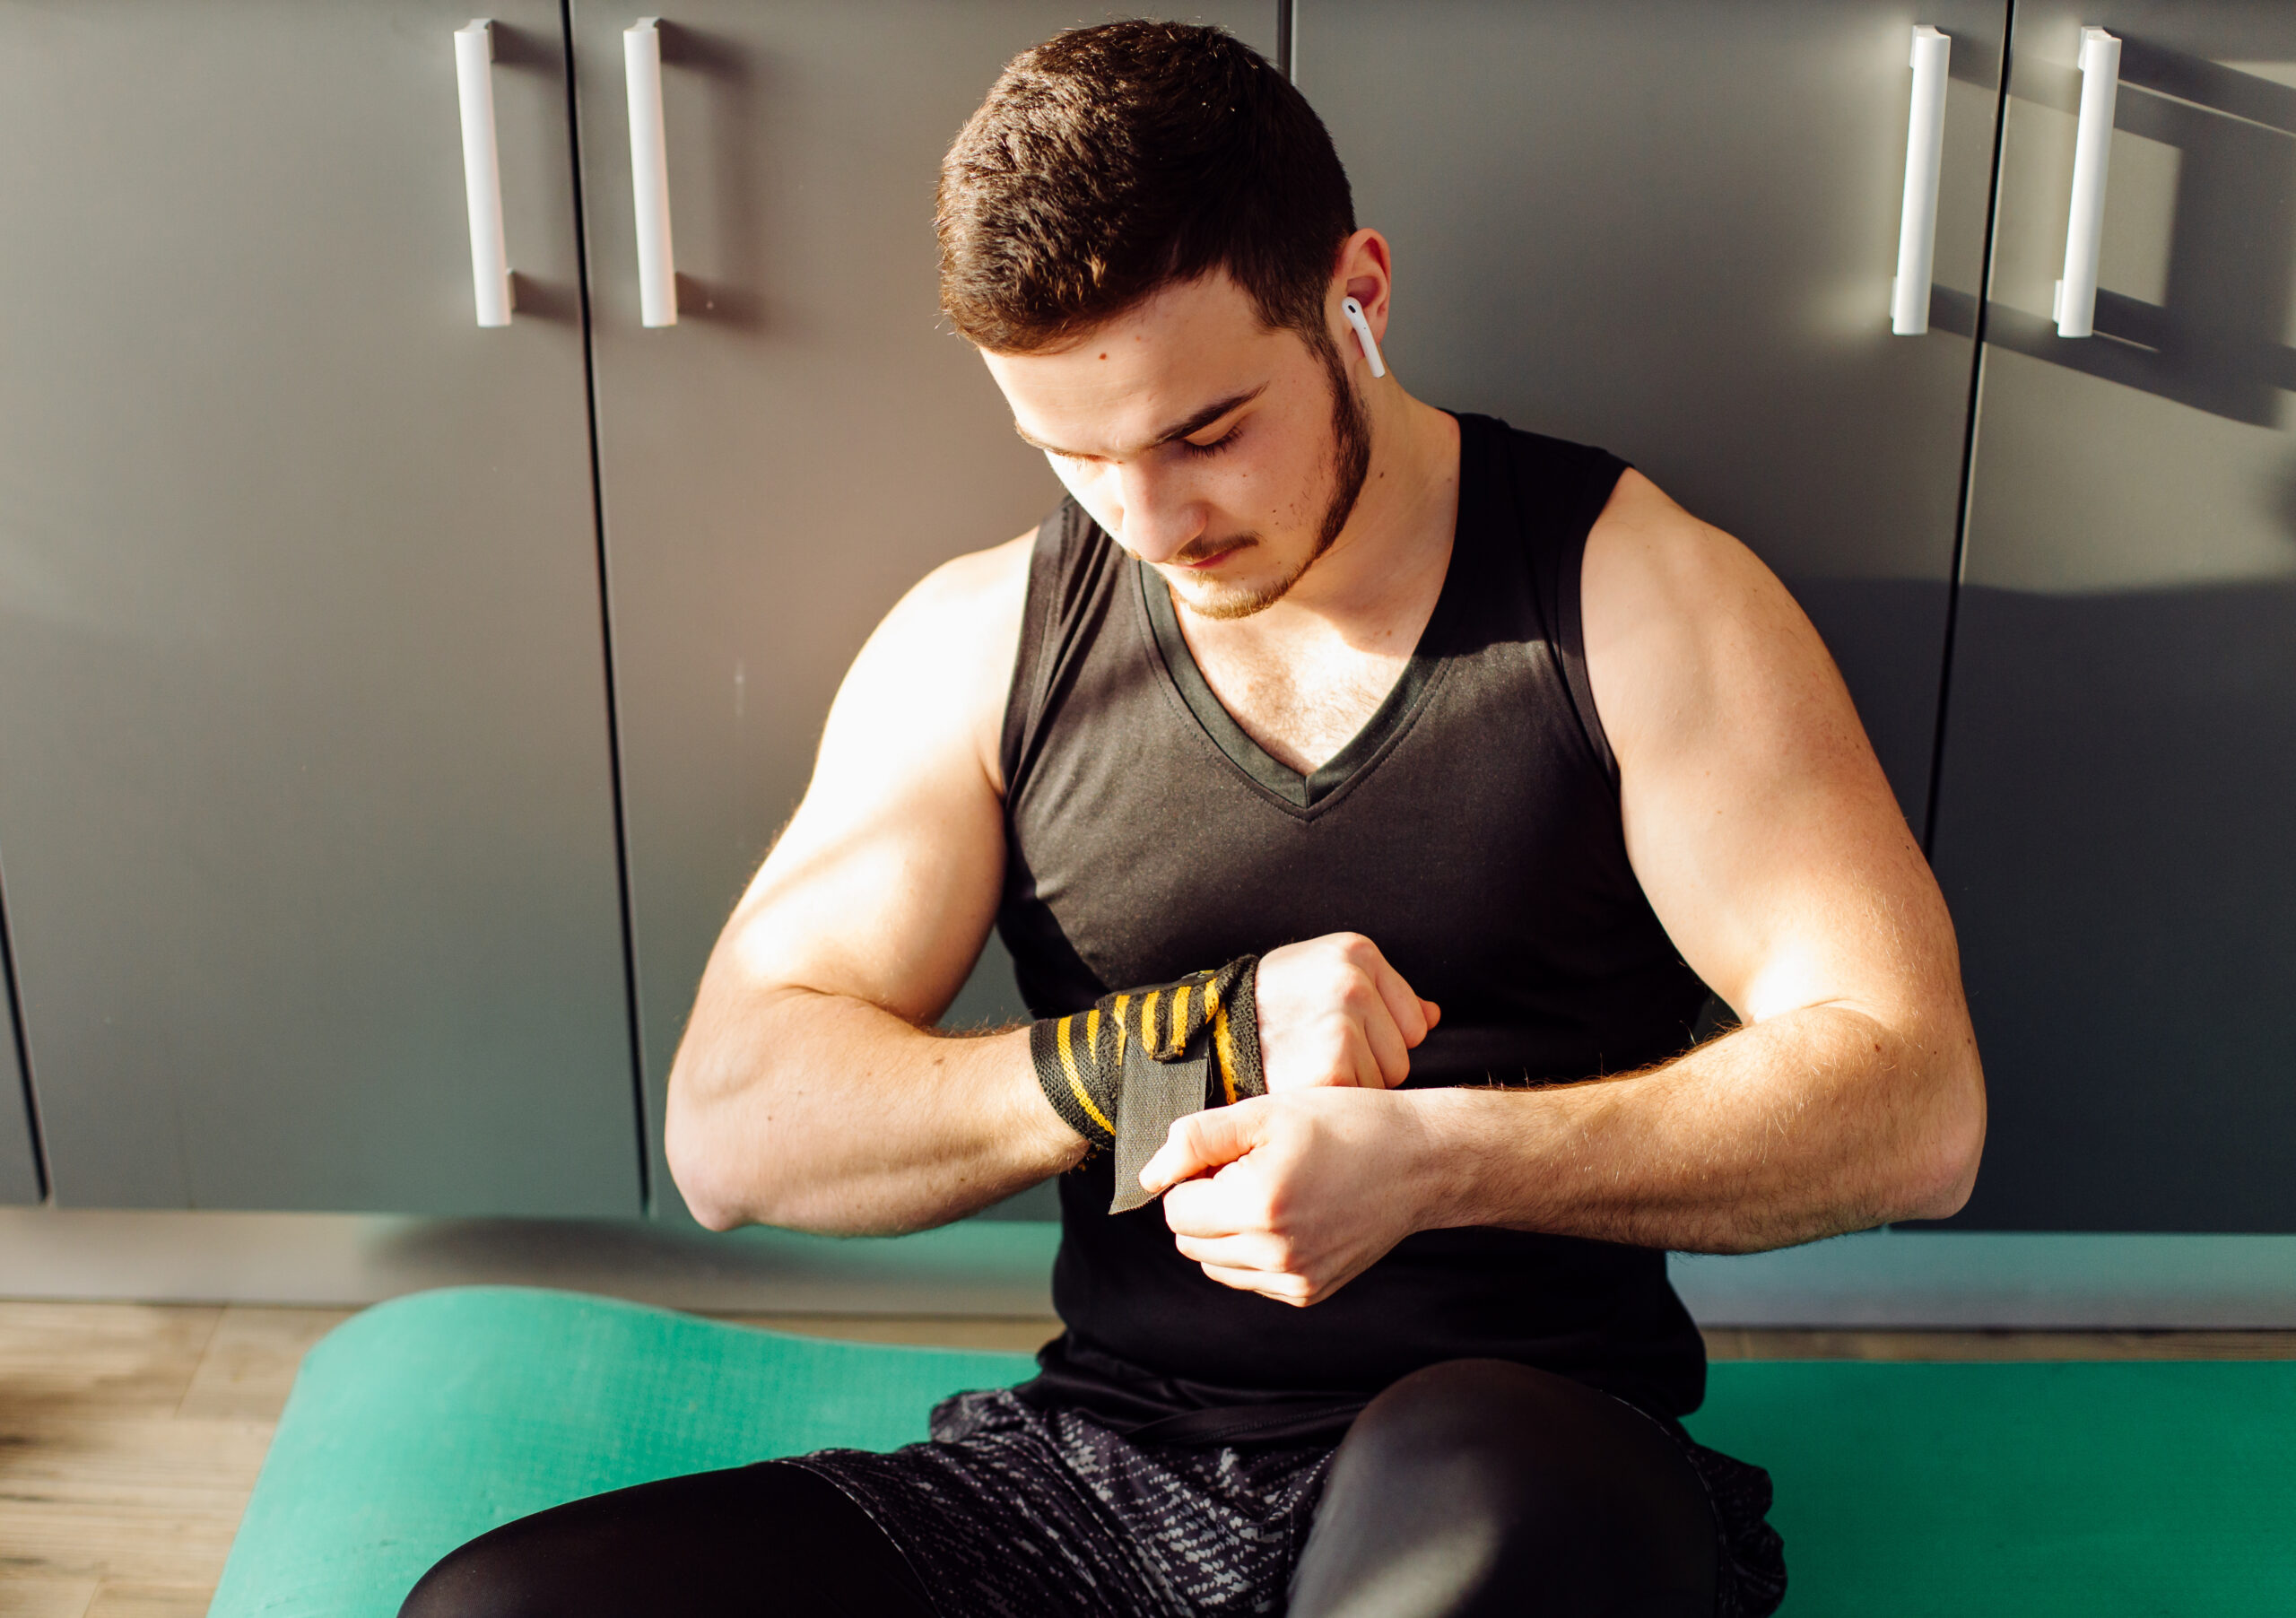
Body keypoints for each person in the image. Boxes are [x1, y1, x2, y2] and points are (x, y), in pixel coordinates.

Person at [402, 20, 1984, 1618]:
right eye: (1073, 454)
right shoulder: (982, 640)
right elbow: (734, 1134)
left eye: (1204, 433)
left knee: (1487, 1530)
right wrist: (1192, 1040)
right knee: (498, 1611)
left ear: (1355, 296)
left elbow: (1917, 1106)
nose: (1154, 521)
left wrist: (1433, 1161)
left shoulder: (1634, 597)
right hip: (1100, 1472)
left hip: (1517, 1458)